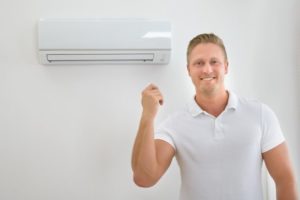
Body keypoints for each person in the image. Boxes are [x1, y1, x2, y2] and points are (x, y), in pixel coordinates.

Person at [131, 33, 298, 200]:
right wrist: (148, 115)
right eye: (199, 63)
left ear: (226, 66)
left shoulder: (260, 115)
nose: (207, 69)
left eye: (214, 62)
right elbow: (144, 178)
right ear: (188, 70)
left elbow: (284, 179)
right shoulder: (174, 125)